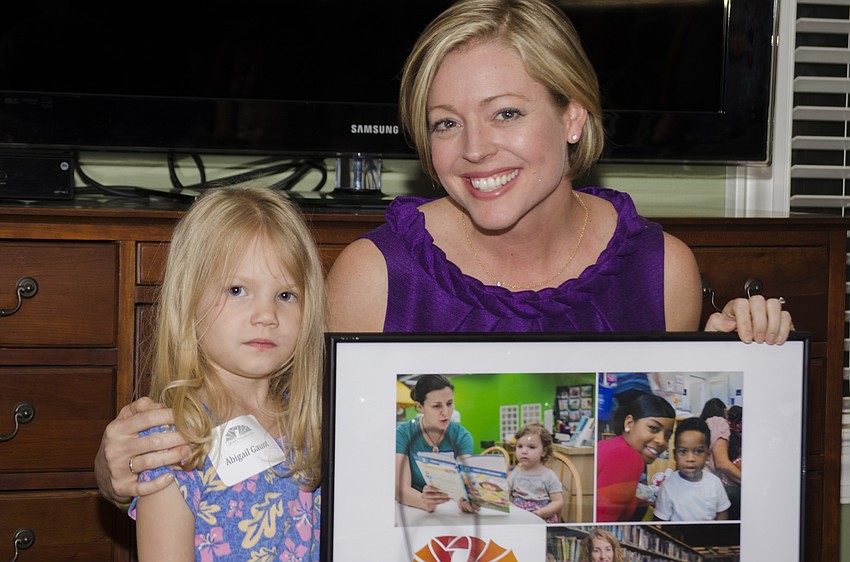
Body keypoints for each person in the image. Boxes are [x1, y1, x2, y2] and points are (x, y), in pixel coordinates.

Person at [93, 0, 792, 508]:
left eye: (507, 113)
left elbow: (675, 461)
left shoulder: (663, 269)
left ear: (573, 116)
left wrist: (747, 350)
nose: (475, 148)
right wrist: (117, 465)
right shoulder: (378, 273)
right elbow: (280, 434)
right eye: (446, 124)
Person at [130, 186, 325, 561]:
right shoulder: (173, 444)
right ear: (189, 300)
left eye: (286, 296)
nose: (266, 315)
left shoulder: (310, 425)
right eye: (237, 290)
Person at [395, 374, 474, 511]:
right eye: (437, 406)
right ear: (420, 407)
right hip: (413, 509)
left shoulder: (461, 436)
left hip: (451, 510)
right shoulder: (403, 433)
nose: (446, 412)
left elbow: (466, 483)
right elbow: (400, 489)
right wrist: (424, 502)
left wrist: (468, 500)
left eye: (449, 403)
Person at [596, 392, 675, 522]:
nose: (662, 441)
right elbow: (604, 518)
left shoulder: (608, 444)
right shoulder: (629, 456)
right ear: (629, 423)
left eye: (667, 435)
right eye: (653, 428)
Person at [653, 417, 730, 522]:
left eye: (698, 451)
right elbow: (660, 523)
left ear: (707, 455)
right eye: (683, 452)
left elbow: (722, 515)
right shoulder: (667, 487)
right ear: (675, 455)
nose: (690, 459)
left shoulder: (714, 483)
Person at [507, 423, 564, 522]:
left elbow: (558, 501)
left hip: (541, 517)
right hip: (518, 517)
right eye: (520, 446)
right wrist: (512, 507)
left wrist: (542, 512)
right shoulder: (515, 473)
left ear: (544, 452)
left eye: (531, 447)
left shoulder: (548, 476)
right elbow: (504, 495)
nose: (524, 451)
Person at [699, 398, 742, 496]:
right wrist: (749, 484)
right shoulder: (718, 422)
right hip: (708, 484)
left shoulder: (702, 425)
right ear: (724, 411)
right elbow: (722, 463)